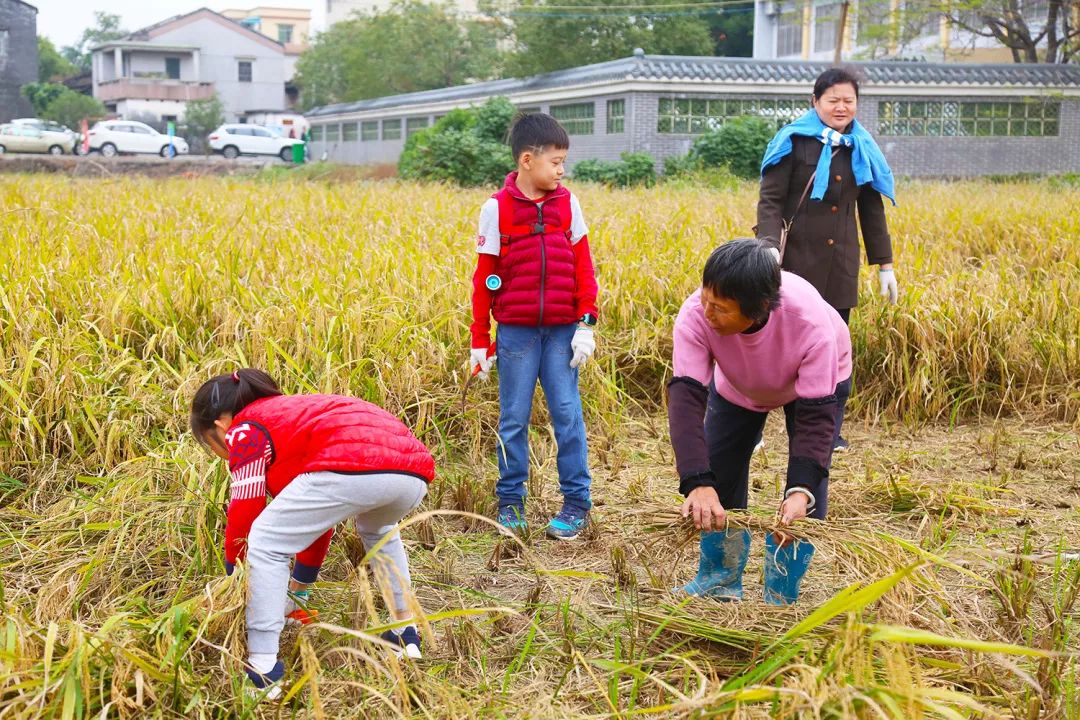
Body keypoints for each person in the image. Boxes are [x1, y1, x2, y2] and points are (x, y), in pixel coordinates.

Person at [189, 369, 435, 699]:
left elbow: (245, 510)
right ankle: (404, 634)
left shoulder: (245, 428)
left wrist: (234, 571)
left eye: (210, 444)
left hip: (353, 465)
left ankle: (263, 671)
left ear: (219, 425)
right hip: (412, 473)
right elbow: (315, 523)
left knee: (264, 540)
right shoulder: (294, 416)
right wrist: (298, 593)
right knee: (378, 529)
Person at [668, 240, 851, 604]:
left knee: (807, 489)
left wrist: (801, 489)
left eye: (719, 309)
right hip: (739, 385)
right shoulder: (695, 314)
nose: (706, 312)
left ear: (757, 309)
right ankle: (720, 577)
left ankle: (781, 589)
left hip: (813, 387)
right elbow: (686, 399)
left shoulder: (811, 326)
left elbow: (816, 423)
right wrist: (697, 482)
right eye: (705, 299)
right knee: (719, 471)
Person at [468, 112, 600, 540]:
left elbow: (584, 267)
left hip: (563, 331)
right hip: (517, 334)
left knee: (567, 415)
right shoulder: (497, 209)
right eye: (556, 161)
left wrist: (587, 323)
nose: (562, 170)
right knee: (513, 418)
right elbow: (483, 278)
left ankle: (577, 503)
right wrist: (479, 342)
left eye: (564, 162)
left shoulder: (568, 204)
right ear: (528, 159)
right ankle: (510, 503)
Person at [756, 66, 896, 452]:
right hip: (793, 262)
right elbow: (770, 199)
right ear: (814, 101)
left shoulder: (862, 148)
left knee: (834, 349)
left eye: (848, 100)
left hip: (840, 266)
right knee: (784, 349)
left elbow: (871, 209)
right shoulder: (794, 141)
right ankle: (753, 425)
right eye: (833, 99)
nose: (841, 107)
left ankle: (826, 433)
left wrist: (884, 264)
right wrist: (768, 244)